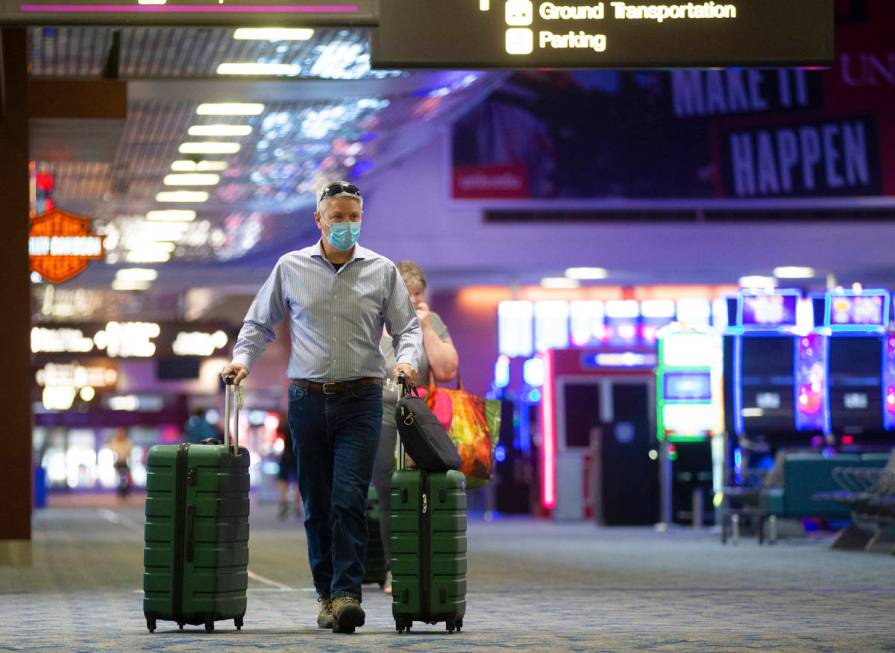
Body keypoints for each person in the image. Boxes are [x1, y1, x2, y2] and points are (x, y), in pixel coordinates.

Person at [221, 180, 422, 634]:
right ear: (319, 220)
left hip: (363, 399)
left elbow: (407, 329)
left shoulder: (382, 270)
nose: (346, 225)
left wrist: (406, 361)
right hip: (307, 402)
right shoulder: (290, 267)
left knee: (349, 498)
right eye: (338, 217)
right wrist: (241, 361)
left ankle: (348, 593)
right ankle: (326, 594)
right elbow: (258, 322)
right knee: (316, 504)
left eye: (353, 217)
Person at [372, 261, 458, 594]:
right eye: (407, 295)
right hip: (381, 415)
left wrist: (425, 327)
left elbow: (447, 369)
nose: (413, 299)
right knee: (390, 493)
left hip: (419, 418)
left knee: (426, 490)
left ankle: (428, 560)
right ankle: (396, 566)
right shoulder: (373, 322)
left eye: (418, 294)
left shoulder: (431, 321)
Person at [275, 416, 302, 520]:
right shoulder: (299, 421)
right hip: (297, 455)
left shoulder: (284, 423)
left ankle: (283, 503)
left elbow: (278, 433)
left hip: (286, 455)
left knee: (282, 480)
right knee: (297, 482)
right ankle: (297, 506)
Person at [107, 428, 133, 499]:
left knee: (124, 478)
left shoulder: (127, 442)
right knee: (121, 478)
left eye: (121, 432)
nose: (120, 434)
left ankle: (124, 492)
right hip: (117, 463)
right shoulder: (114, 441)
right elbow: (112, 449)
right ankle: (121, 492)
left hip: (124, 462)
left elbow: (128, 452)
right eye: (118, 432)